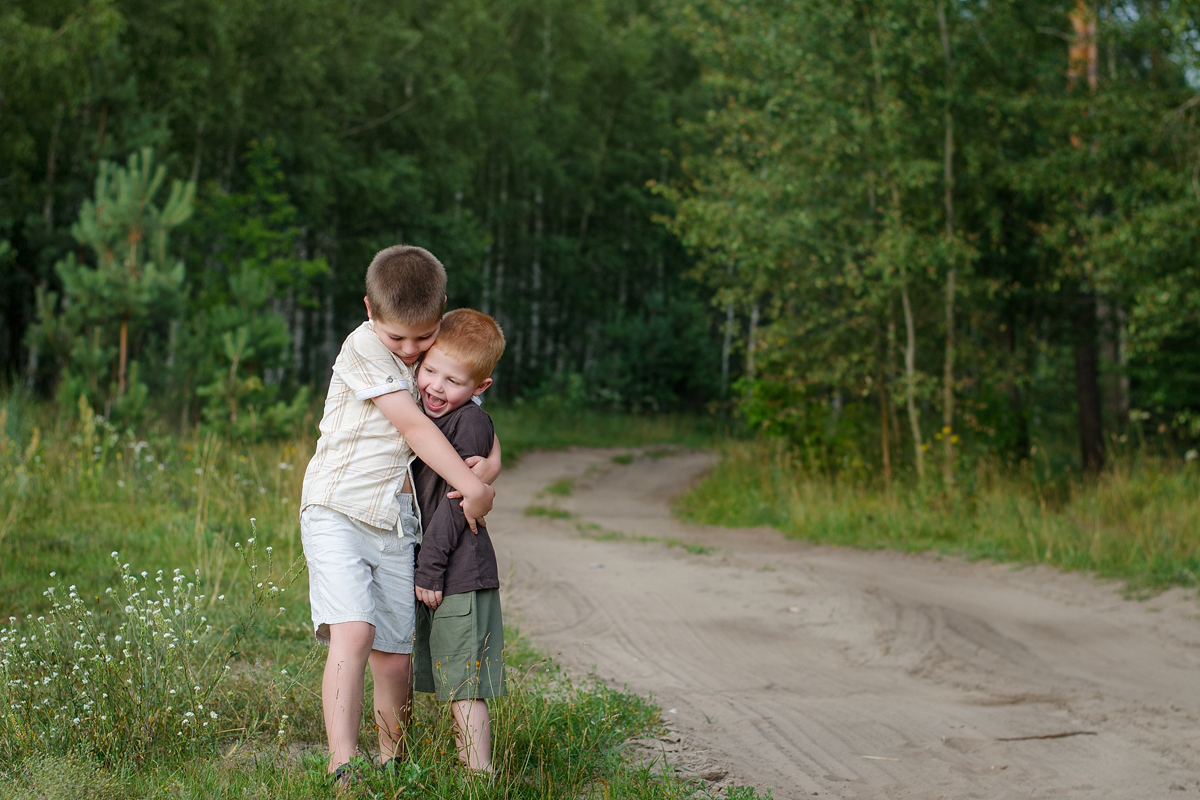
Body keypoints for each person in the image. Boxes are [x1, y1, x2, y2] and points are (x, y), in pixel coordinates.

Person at [299, 245, 501, 784]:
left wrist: (492, 466)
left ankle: (393, 759)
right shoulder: (363, 347)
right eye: (399, 338)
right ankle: (343, 763)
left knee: (394, 653)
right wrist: (472, 489)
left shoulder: (431, 362)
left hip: (395, 523)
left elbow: (473, 412)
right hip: (337, 508)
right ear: (370, 310)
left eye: (423, 336)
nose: (411, 351)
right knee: (356, 630)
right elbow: (415, 428)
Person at [411, 308, 507, 776]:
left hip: (458, 570)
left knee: (464, 682)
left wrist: (429, 569)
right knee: (449, 672)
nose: (435, 386)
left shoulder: (469, 423)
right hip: (443, 566)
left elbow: (455, 503)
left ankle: (478, 774)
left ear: (480, 388)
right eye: (430, 369)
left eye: (453, 380)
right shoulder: (426, 407)